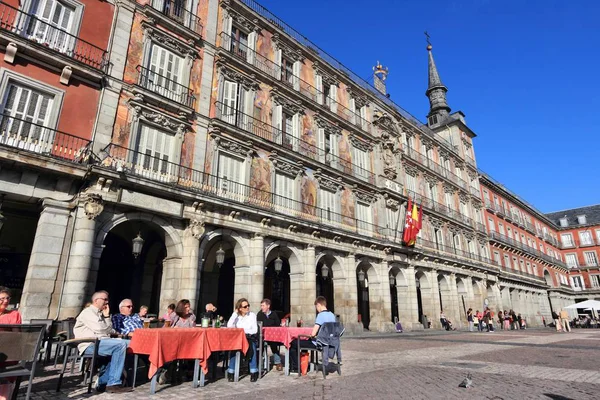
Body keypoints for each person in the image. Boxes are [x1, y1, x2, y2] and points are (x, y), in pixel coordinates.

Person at [73, 291, 131, 393]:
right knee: (120, 345)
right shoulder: (88, 312)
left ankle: (103, 382)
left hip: (101, 342)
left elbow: (108, 330)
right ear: (96, 300)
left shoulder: (100, 313)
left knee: (130, 344)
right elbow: (100, 329)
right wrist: (107, 317)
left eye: (107, 299)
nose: (107, 302)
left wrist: (107, 318)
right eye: (105, 299)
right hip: (89, 345)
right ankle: (113, 383)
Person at [289, 296, 336, 373]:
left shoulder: (320, 315)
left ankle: (296, 367)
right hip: (329, 343)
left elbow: (313, 333)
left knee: (292, 343)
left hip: (320, 344)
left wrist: (310, 335)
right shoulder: (332, 315)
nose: (317, 309)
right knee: (304, 343)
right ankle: (305, 366)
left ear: (319, 305)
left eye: (316, 307)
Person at [227, 298, 259, 382]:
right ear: (240, 308)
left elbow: (255, 330)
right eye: (245, 306)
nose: (247, 307)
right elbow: (229, 326)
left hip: (249, 337)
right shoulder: (236, 316)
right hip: (237, 339)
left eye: (248, 305)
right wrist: (234, 314)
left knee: (251, 348)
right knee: (234, 349)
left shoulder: (252, 315)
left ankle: (253, 371)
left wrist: (242, 331)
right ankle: (231, 371)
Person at [0, 287, 22, 400]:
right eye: (2, 298)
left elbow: (16, 336)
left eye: (7, 298)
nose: (5, 301)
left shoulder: (14, 314)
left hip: (8, 354)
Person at [256, 298, 282, 371]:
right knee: (260, 344)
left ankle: (278, 362)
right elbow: (259, 325)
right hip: (262, 336)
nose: (262, 307)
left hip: (272, 336)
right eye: (261, 306)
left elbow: (277, 325)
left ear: (268, 306)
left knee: (273, 343)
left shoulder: (273, 314)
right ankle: (259, 362)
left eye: (263, 306)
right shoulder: (259, 314)